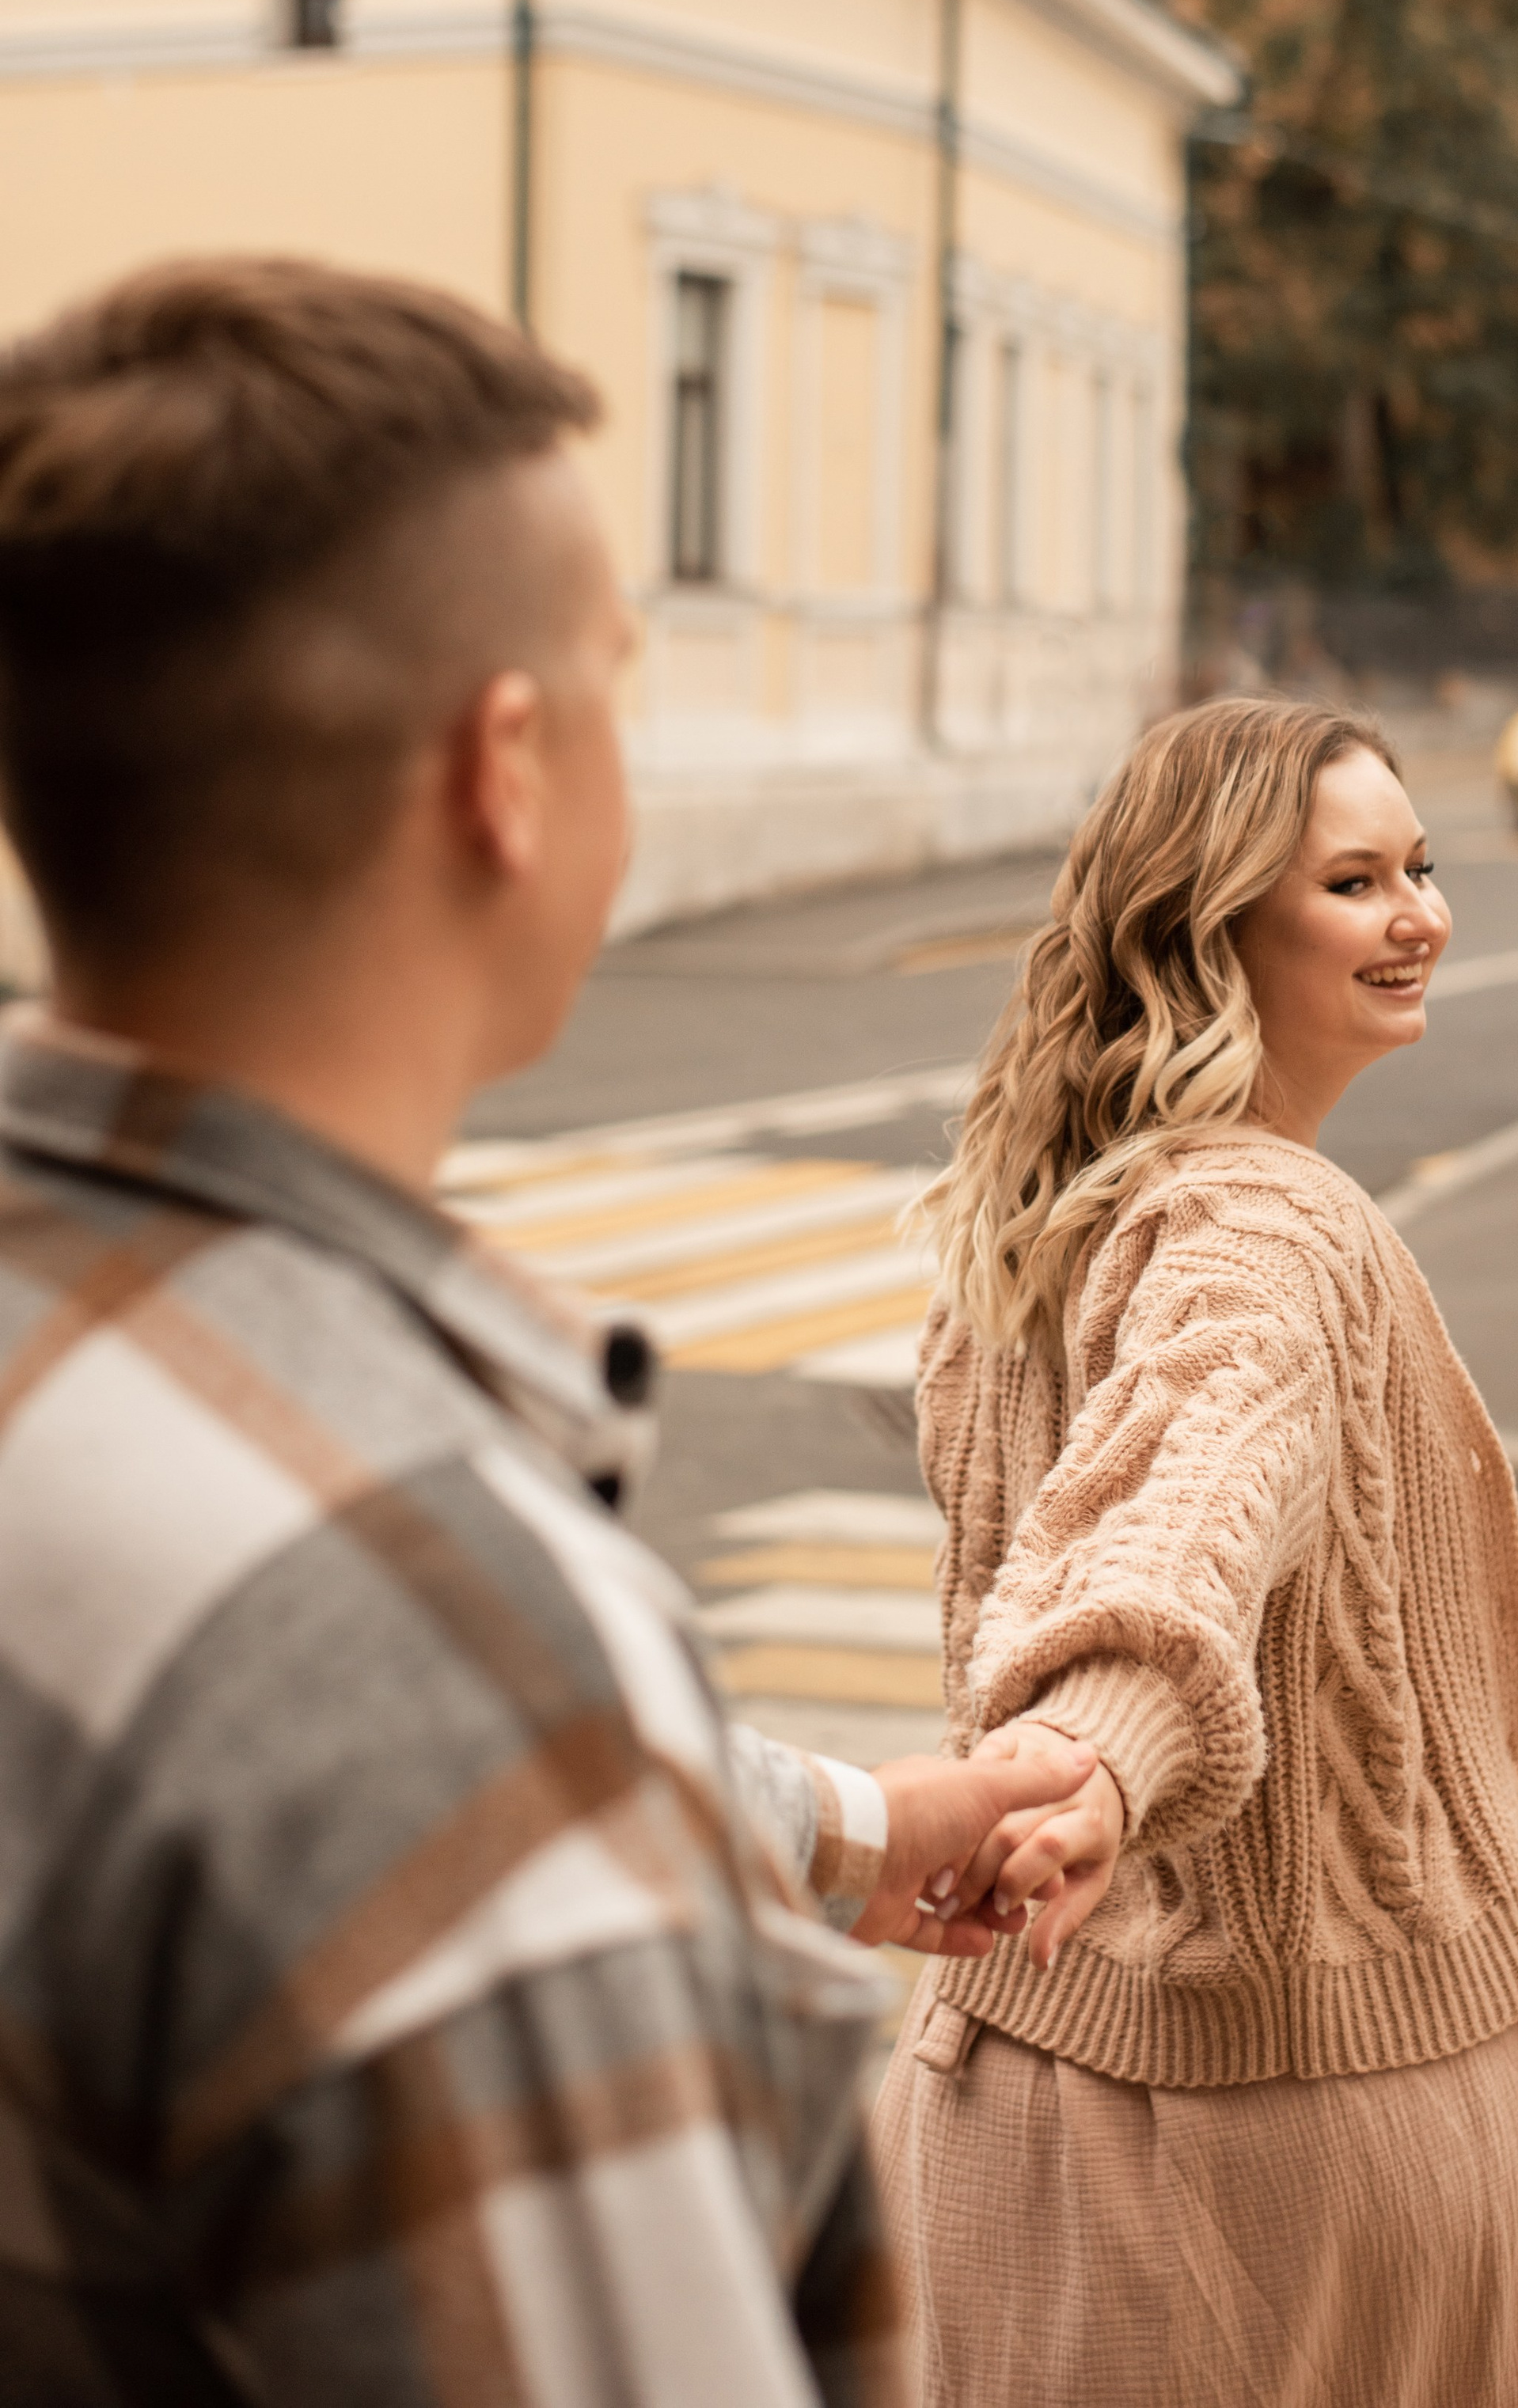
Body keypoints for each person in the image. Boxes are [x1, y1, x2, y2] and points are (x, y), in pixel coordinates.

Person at [0, 258, 1095, 2406]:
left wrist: (856, 1828)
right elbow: (396, 1775)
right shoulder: (438, 1663)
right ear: (505, 768)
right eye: (613, 676)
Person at [872, 697, 1518, 2408]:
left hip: (1061, 2057)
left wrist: (1067, 1773)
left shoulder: (1051, 1213)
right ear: (1206, 931)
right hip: (1257, 2121)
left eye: (1417, 867)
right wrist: (1097, 1757)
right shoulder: (1267, 1224)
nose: (1416, 913)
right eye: (1351, 882)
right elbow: (1201, 1490)